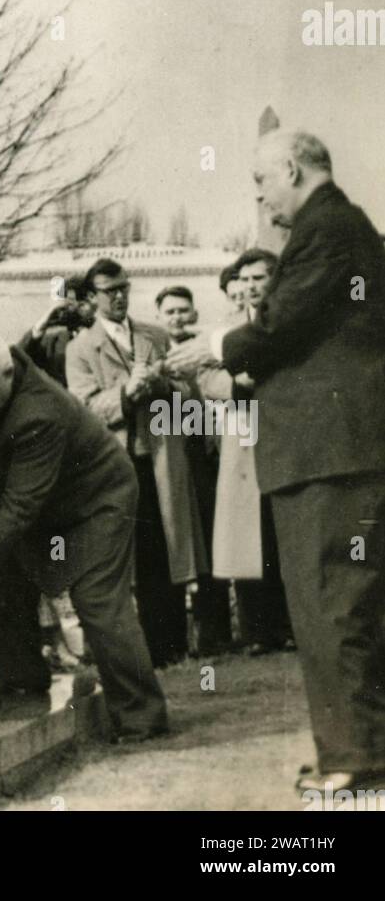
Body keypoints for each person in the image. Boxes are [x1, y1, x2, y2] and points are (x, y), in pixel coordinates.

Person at [168, 130, 385, 794]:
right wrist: (237, 380)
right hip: (338, 449)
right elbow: (310, 343)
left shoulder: (327, 229)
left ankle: (352, 759)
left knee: (329, 605)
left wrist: (210, 347)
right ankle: (357, 747)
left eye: (260, 182)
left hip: (326, 454)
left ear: (290, 169)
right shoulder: (342, 229)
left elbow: (283, 322)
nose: (258, 195)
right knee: (345, 603)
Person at [0, 315, 168, 741]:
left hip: (96, 500)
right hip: (33, 503)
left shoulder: (40, 413)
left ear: (7, 375)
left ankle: (142, 713)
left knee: (98, 600)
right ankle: (21, 680)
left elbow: (19, 509)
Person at [67, 259, 206, 667]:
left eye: (124, 287)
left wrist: (162, 385)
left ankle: (173, 647)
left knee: (167, 548)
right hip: (118, 466)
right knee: (131, 558)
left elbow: (191, 399)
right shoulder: (80, 349)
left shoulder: (156, 335)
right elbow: (86, 409)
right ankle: (141, 652)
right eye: (110, 290)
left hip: (162, 458)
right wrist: (127, 393)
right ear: (91, 298)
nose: (120, 296)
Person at [200, 250, 292, 655]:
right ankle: (258, 629)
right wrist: (240, 387)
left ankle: (290, 625)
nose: (253, 286)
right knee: (246, 528)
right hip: (243, 431)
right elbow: (204, 376)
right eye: (247, 279)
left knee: (282, 526)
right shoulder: (225, 331)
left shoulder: (290, 322)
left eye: (261, 277)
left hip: (285, 433)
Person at [155, 285, 232, 655]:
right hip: (171, 460)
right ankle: (174, 638)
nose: (178, 318)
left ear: (195, 314)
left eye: (184, 310)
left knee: (212, 542)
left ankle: (215, 633)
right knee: (174, 544)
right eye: (170, 312)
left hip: (205, 457)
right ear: (159, 318)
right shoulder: (157, 358)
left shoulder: (208, 355)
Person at [19, 274, 94, 386]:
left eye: (82, 303)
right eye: (67, 304)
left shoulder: (106, 333)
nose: (75, 309)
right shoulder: (53, 341)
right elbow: (19, 360)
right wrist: (41, 325)